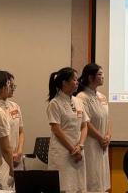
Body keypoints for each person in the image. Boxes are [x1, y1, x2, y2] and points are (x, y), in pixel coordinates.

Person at [47, 67, 89, 193]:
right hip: (63, 152)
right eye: (74, 80)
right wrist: (72, 149)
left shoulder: (78, 101)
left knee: (78, 187)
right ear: (64, 82)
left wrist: (80, 146)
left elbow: (84, 126)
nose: (77, 82)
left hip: (78, 151)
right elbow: (56, 130)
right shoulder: (55, 103)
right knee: (63, 187)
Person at [75, 63, 112, 192]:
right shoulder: (81, 97)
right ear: (90, 78)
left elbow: (108, 119)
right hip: (91, 143)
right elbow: (86, 122)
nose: (103, 77)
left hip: (103, 144)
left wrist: (108, 136)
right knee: (92, 179)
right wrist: (100, 138)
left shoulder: (102, 97)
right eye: (100, 74)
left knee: (102, 180)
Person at [2, 72, 24, 170]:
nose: (13, 88)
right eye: (11, 86)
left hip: (16, 157)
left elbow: (21, 131)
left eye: (14, 86)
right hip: (1, 157)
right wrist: (9, 154)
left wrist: (19, 152)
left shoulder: (15, 106)